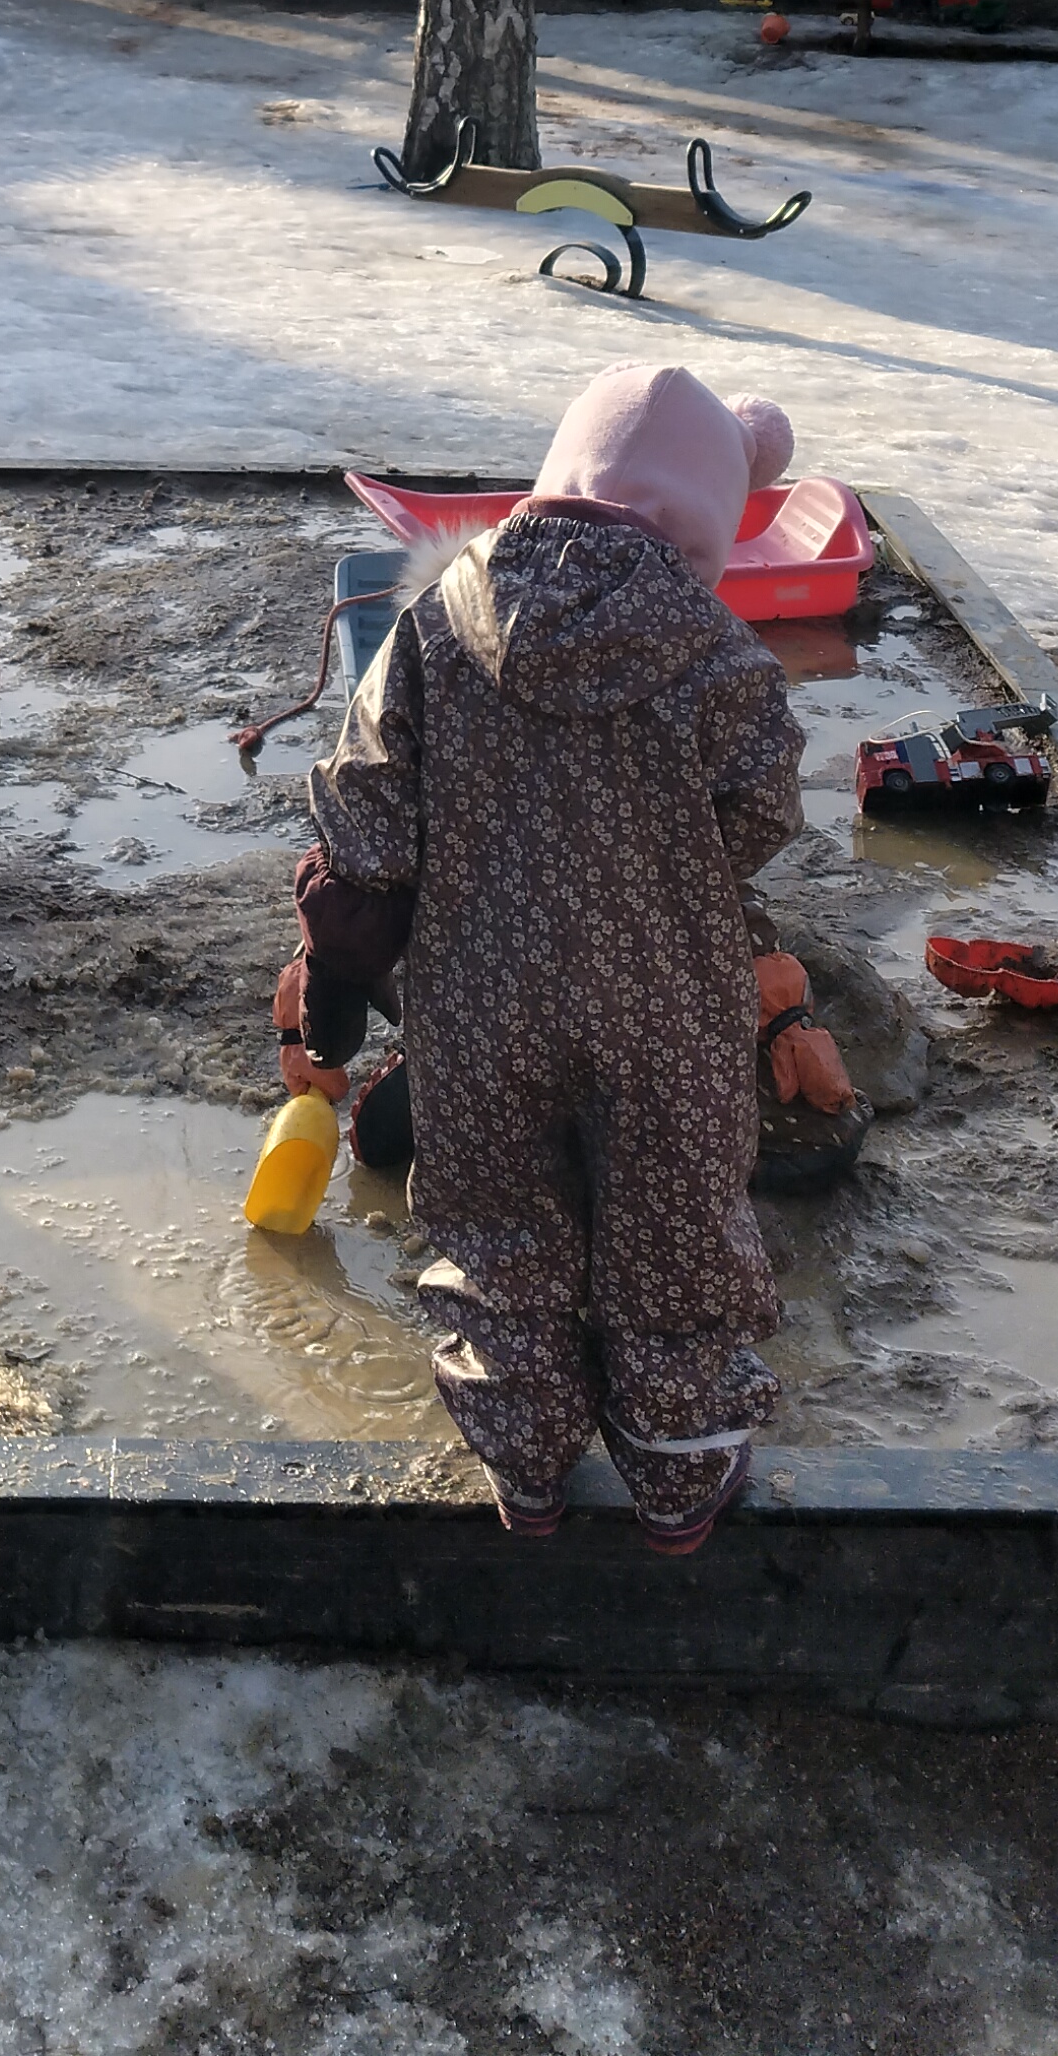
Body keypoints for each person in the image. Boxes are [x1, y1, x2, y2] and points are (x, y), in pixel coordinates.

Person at [281, 362, 806, 1550]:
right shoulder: (718, 651)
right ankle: (676, 1467)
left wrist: (347, 963)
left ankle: (524, 1460)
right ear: (704, 525)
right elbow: (762, 808)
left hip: (480, 1002)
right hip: (666, 1007)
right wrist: (663, 866)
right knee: (674, 1226)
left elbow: (365, 812)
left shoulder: (437, 621)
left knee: (502, 1225)